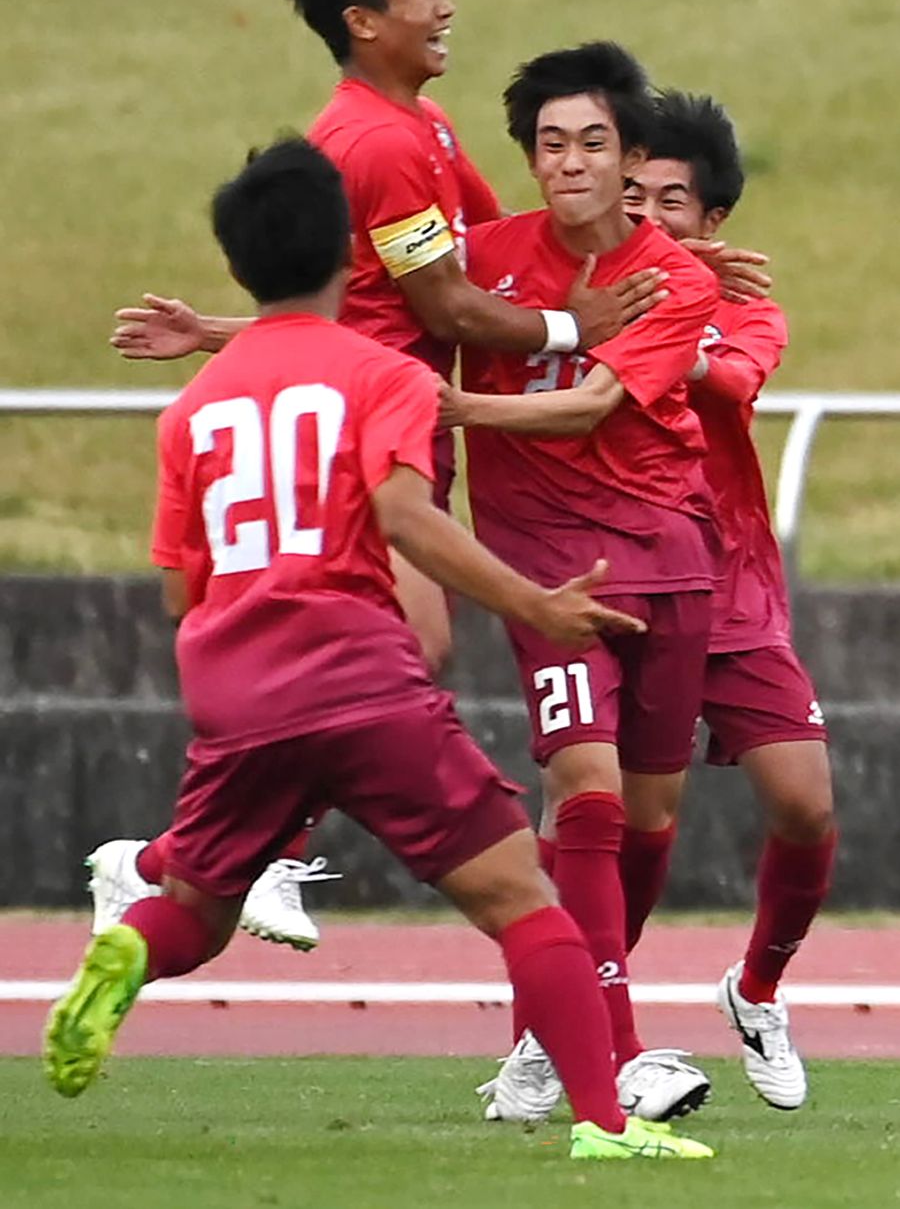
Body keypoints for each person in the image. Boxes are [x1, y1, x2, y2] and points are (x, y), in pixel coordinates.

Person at [43, 137, 714, 1164]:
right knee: (526, 905)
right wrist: (536, 601)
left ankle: (127, 946)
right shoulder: (384, 373)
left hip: (231, 691)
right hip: (358, 677)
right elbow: (407, 515)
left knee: (200, 911)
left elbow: (181, 585)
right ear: (355, 260)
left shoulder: (195, 408)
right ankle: (605, 1128)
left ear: (237, 266)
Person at [96, 0, 665, 948]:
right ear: (366, 19)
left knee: (411, 652)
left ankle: (175, 860)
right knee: (411, 645)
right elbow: (447, 304)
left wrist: (659, 244)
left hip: (396, 415)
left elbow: (479, 250)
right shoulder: (380, 143)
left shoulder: (422, 128)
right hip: (369, 429)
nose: (448, 6)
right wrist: (569, 319)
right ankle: (248, 853)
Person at [439, 41, 721, 1125]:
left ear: (630, 155)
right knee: (587, 789)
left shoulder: (674, 275)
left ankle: (541, 1031)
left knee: (646, 821)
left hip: (667, 554)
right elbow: (372, 326)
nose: (569, 162)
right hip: (544, 567)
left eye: (592, 142)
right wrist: (222, 333)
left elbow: (593, 404)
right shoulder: (481, 258)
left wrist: (461, 410)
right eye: (549, 144)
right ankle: (622, 1047)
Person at [618, 90, 836, 1110]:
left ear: (713, 225)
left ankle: (755, 989)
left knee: (806, 804)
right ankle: (567, 1023)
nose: (647, 217)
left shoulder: (743, 305)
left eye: (672, 202)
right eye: (632, 197)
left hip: (731, 586)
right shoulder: (577, 303)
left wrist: (668, 302)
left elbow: (726, 382)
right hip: (620, 585)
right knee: (613, 826)